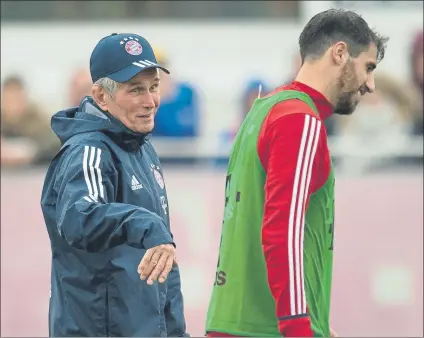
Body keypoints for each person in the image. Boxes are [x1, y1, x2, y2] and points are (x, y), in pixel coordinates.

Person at [205, 9, 388, 337]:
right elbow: (282, 230)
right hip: (269, 328)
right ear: (340, 53)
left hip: (234, 322)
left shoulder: (262, 112)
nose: (371, 85)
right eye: (369, 68)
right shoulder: (299, 119)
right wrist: (298, 326)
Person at [40, 33, 188, 337]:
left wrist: (175, 331)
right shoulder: (88, 150)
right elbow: (81, 217)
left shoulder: (143, 149)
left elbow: (162, 263)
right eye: (136, 90)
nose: (150, 101)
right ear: (101, 96)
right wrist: (146, 224)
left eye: (154, 87)